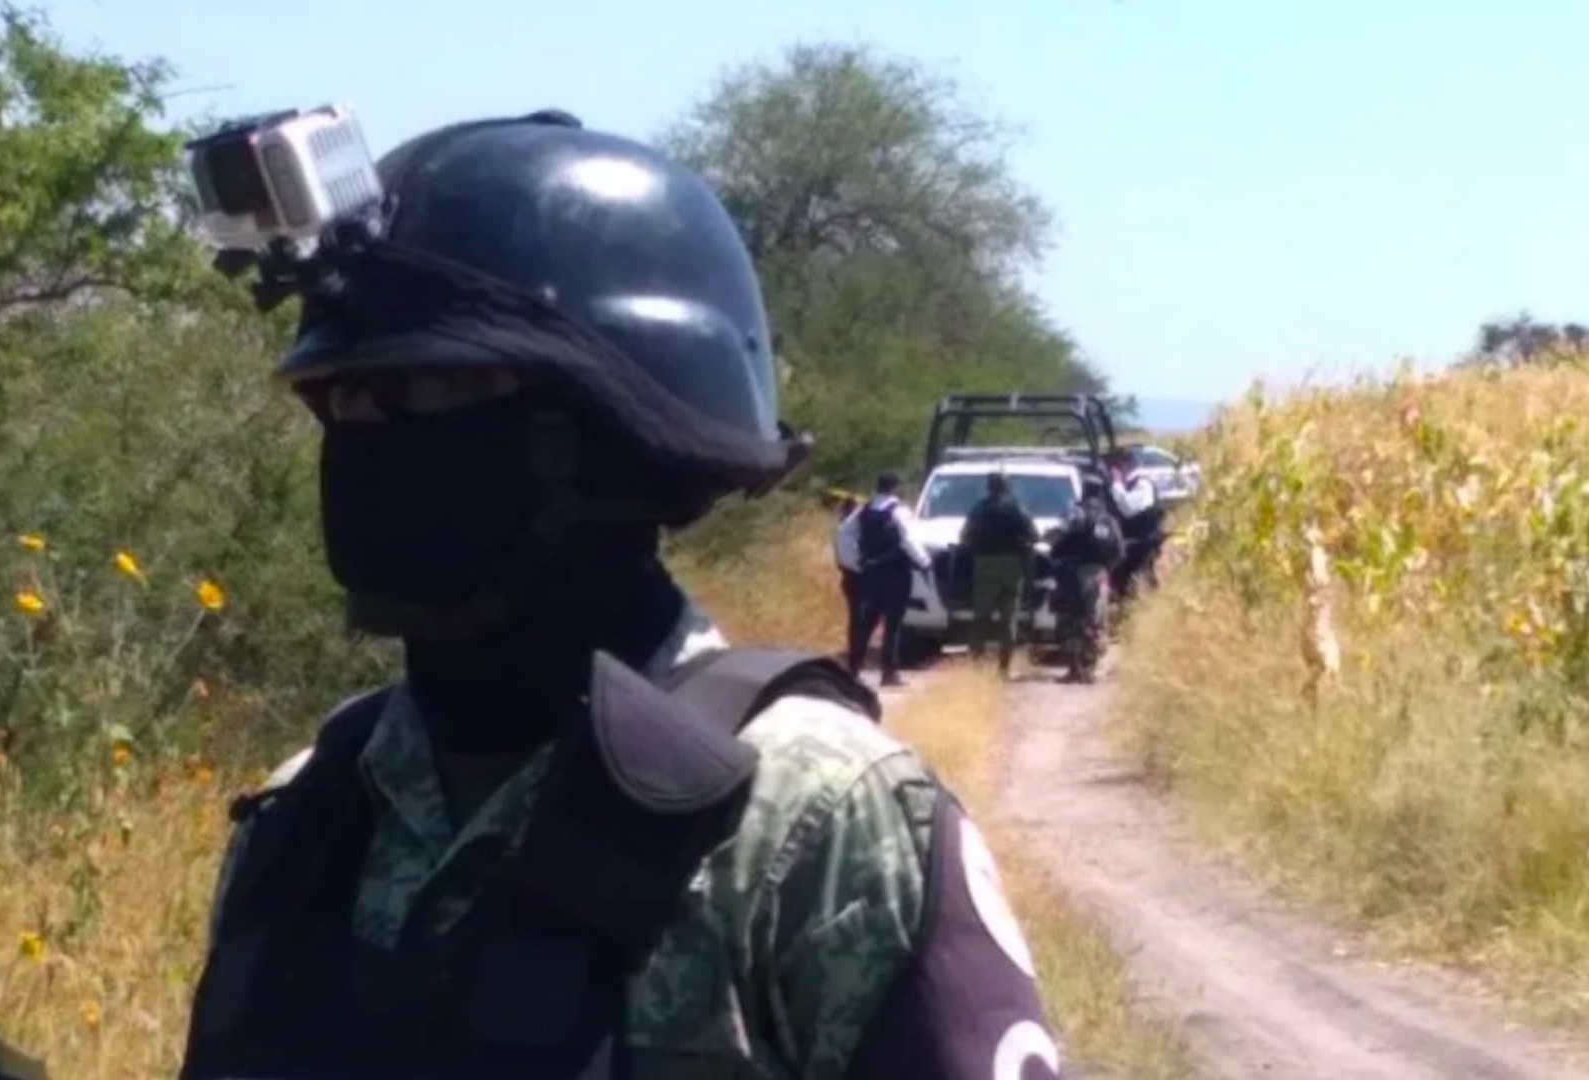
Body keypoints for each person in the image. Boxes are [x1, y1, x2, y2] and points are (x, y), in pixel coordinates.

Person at [175, 109, 1061, 1080]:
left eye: (429, 394)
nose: (367, 441)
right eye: (344, 403)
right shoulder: (309, 814)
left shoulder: (811, 818)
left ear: (607, 435)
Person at [842, 471, 932, 687]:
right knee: (893, 624)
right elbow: (908, 539)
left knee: (867, 623)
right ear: (895, 487)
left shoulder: (863, 510)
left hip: (870, 575)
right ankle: (889, 673)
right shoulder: (899, 511)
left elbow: (843, 534)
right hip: (896, 573)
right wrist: (925, 563)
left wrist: (855, 563)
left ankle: (853, 670)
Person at [958, 471, 1040, 677]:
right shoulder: (1017, 508)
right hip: (1012, 565)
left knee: (981, 617)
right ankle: (1004, 668)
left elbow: (964, 536)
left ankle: (977, 666)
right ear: (1007, 487)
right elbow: (1034, 535)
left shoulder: (979, 509)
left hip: (984, 564)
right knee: (1008, 618)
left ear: (989, 487)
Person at [1047, 495, 1124, 684]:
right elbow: (1119, 552)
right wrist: (1106, 569)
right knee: (1094, 621)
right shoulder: (1108, 521)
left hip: (1071, 575)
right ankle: (1089, 668)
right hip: (1097, 574)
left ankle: (1074, 668)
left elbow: (1057, 548)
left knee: (1071, 620)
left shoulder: (1075, 516)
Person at [1105, 449, 1166, 602]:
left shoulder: (1142, 484)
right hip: (1129, 547)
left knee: (1140, 586)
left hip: (1143, 546)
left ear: (1123, 467)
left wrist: (1117, 483)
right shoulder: (1127, 487)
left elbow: (1128, 508)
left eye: (1113, 468)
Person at [832, 493, 865, 663]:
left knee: (855, 618)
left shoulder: (840, 528)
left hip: (847, 577)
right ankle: (857, 654)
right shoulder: (847, 530)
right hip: (856, 577)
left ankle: (856, 652)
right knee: (860, 618)